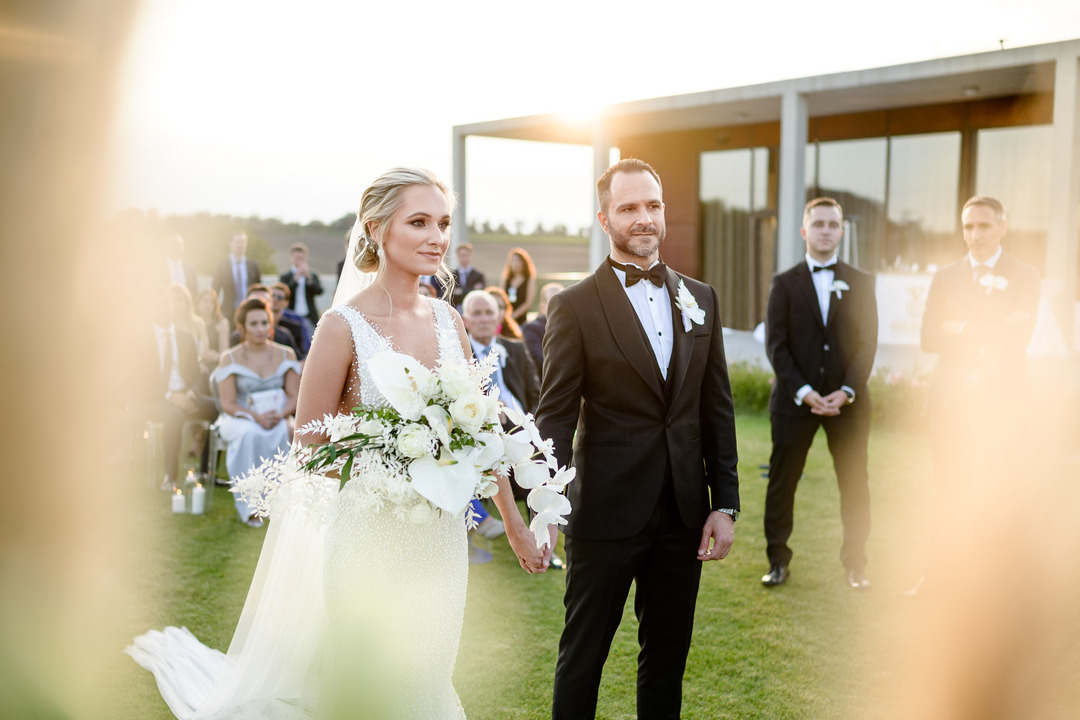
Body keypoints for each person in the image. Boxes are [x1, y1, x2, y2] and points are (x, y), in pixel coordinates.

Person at [129, 167, 553, 719]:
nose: (436, 237)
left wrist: (516, 525)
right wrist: (401, 454)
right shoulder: (341, 326)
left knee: (428, 672)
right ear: (377, 229)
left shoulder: (451, 321)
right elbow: (308, 442)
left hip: (442, 541)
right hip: (368, 537)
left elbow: (483, 435)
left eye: (443, 223)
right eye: (419, 221)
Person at [536, 158, 740, 720]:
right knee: (583, 658)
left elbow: (715, 409)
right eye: (629, 208)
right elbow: (554, 417)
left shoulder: (702, 297)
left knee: (667, 659)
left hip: (682, 512)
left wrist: (724, 503)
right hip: (605, 512)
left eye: (652, 205)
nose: (643, 218)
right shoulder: (573, 305)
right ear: (605, 219)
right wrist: (545, 506)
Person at [911, 195, 1040, 593]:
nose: (974, 235)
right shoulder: (945, 276)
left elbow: (1018, 337)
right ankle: (937, 576)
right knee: (947, 491)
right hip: (950, 406)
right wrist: (972, 327)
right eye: (968, 226)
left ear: (1003, 227)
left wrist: (957, 325)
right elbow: (929, 337)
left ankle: (995, 582)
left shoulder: (1026, 276)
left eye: (983, 226)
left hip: (1003, 406)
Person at [761, 197, 879, 590]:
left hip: (849, 405)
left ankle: (855, 565)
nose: (825, 230)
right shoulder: (783, 282)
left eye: (832, 224)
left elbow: (867, 343)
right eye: (818, 224)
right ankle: (778, 561)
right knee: (783, 482)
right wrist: (806, 391)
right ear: (804, 231)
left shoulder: (863, 281)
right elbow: (776, 345)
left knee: (854, 483)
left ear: (841, 231)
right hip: (795, 405)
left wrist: (846, 390)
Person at [213, 297, 300, 526]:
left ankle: (280, 503)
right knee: (250, 434)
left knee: (289, 431)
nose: (260, 329)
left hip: (277, 415)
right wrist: (256, 417)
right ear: (241, 327)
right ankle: (251, 506)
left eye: (264, 322)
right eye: (253, 324)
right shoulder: (229, 358)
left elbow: (295, 395)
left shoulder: (285, 354)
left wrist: (279, 415)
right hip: (240, 416)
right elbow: (228, 403)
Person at [145, 284, 217, 489]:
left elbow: (196, 374)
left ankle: (205, 472)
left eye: (167, 303)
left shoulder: (185, 337)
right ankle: (170, 477)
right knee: (174, 414)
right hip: (155, 399)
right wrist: (170, 396)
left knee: (216, 409)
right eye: (158, 304)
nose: (164, 308)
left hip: (187, 395)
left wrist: (192, 392)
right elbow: (138, 383)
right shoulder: (142, 339)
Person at [211, 230, 261, 323]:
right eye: (237, 242)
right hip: (228, 312)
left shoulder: (253, 266)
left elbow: (258, 289)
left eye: (243, 242)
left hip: (249, 310)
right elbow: (215, 291)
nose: (240, 245)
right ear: (230, 244)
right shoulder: (221, 266)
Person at [521, 282, 563, 376]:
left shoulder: (571, 326)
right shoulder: (531, 329)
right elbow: (541, 360)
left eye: (562, 301)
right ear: (542, 307)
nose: (560, 306)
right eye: (553, 302)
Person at [279, 241, 323, 330]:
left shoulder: (312, 275)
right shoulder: (285, 276)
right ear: (291, 258)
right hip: (291, 315)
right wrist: (296, 279)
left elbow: (319, 291)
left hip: (309, 316)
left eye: (301, 258)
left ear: (306, 258)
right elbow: (285, 293)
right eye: (296, 258)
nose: (299, 261)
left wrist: (309, 278)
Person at [435, 242, 485, 310]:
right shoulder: (450, 276)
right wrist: (470, 290)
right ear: (458, 256)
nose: (464, 259)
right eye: (461, 255)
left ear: (471, 256)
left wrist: (460, 292)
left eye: (466, 255)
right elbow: (446, 295)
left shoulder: (478, 276)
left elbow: (479, 294)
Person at [270, 281, 311, 358]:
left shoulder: (294, 328)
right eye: (272, 296)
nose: (275, 300)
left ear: (286, 303)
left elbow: (299, 355)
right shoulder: (261, 325)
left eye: (279, 297)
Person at [195, 288, 229, 368]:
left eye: (212, 303)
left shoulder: (222, 324)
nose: (208, 306)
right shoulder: (193, 323)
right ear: (198, 303)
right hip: (196, 363)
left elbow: (224, 352)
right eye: (205, 301)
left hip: (216, 363)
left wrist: (217, 357)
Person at [502, 247, 536, 325]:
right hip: (506, 320)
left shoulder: (529, 280)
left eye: (519, 261)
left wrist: (513, 316)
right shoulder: (506, 280)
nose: (516, 263)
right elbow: (502, 298)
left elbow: (528, 303)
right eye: (513, 261)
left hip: (521, 321)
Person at [163, 231, 198, 300]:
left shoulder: (191, 270)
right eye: (174, 244)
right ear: (167, 247)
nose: (177, 248)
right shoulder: (158, 268)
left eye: (180, 245)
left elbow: (195, 294)